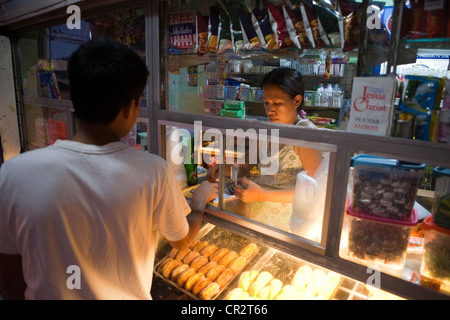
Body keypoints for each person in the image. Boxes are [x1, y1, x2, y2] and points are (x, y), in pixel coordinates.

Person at [0, 38, 218, 300]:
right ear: (130, 106)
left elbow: (11, 282)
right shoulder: (152, 172)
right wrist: (198, 202)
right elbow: (181, 240)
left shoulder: (13, 174)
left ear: (74, 98)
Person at [207, 67, 323, 230]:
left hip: (286, 226)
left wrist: (262, 194)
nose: (270, 110)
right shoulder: (269, 130)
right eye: (266, 103)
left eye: (277, 103)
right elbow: (245, 166)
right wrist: (222, 169)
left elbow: (315, 192)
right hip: (256, 219)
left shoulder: (304, 133)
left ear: (296, 101)